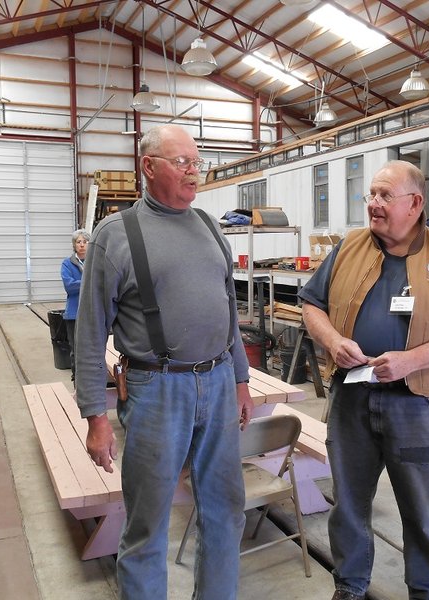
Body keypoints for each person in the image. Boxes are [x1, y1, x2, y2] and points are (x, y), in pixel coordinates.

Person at [74, 124, 253, 600]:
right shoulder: (114, 236)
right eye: (182, 163)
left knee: (224, 510)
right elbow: (89, 335)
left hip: (216, 384)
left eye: (198, 162)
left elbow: (229, 313)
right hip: (157, 391)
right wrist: (96, 417)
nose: (195, 172)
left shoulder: (211, 226)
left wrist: (240, 379)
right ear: (149, 167)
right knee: (147, 523)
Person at [299, 160, 429, 600]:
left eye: (385, 196)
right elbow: (311, 304)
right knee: (348, 503)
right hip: (352, 398)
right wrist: (332, 340)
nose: (373, 204)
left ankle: (427, 591)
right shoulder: (349, 247)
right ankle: (349, 585)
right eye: (371, 194)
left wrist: (411, 361)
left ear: (415, 203)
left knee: (422, 510)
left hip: (418, 404)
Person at [60, 228, 90, 381]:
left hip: (92, 313)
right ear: (74, 245)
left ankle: (92, 377)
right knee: (75, 348)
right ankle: (76, 377)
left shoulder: (96, 262)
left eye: (85, 242)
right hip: (74, 313)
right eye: (79, 242)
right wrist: (89, 281)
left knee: (92, 347)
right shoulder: (67, 264)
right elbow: (69, 286)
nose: (82, 245)